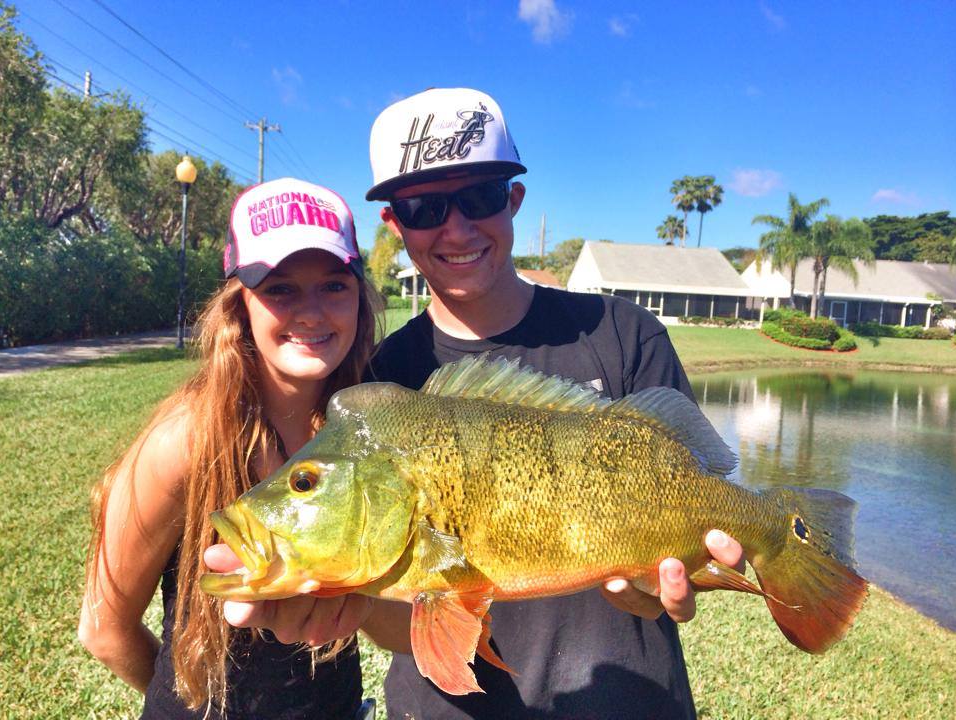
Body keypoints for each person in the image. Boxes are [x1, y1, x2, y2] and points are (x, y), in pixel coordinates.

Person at [208, 89, 745, 719]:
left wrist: (675, 581)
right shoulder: (382, 384)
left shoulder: (622, 334)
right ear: (395, 224)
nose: (457, 228)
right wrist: (350, 603)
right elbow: (398, 616)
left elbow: (697, 491)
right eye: (425, 207)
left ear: (514, 199)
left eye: (481, 198)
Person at [78, 178, 379, 719]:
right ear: (240, 305)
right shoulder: (186, 440)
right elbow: (103, 629)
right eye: (281, 289)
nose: (311, 313)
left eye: (335, 285)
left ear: (360, 296)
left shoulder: (362, 426)